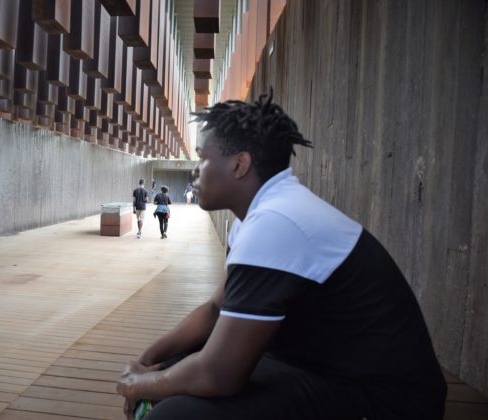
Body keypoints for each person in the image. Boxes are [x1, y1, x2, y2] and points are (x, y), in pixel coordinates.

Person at [117, 91, 447, 419]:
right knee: (176, 364)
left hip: (385, 399)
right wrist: (149, 360)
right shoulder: (261, 215)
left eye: (203, 158)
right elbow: (216, 309)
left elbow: (219, 375)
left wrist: (142, 384)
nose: (195, 171)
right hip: (319, 363)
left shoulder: (276, 222)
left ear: (239, 164)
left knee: (176, 413)